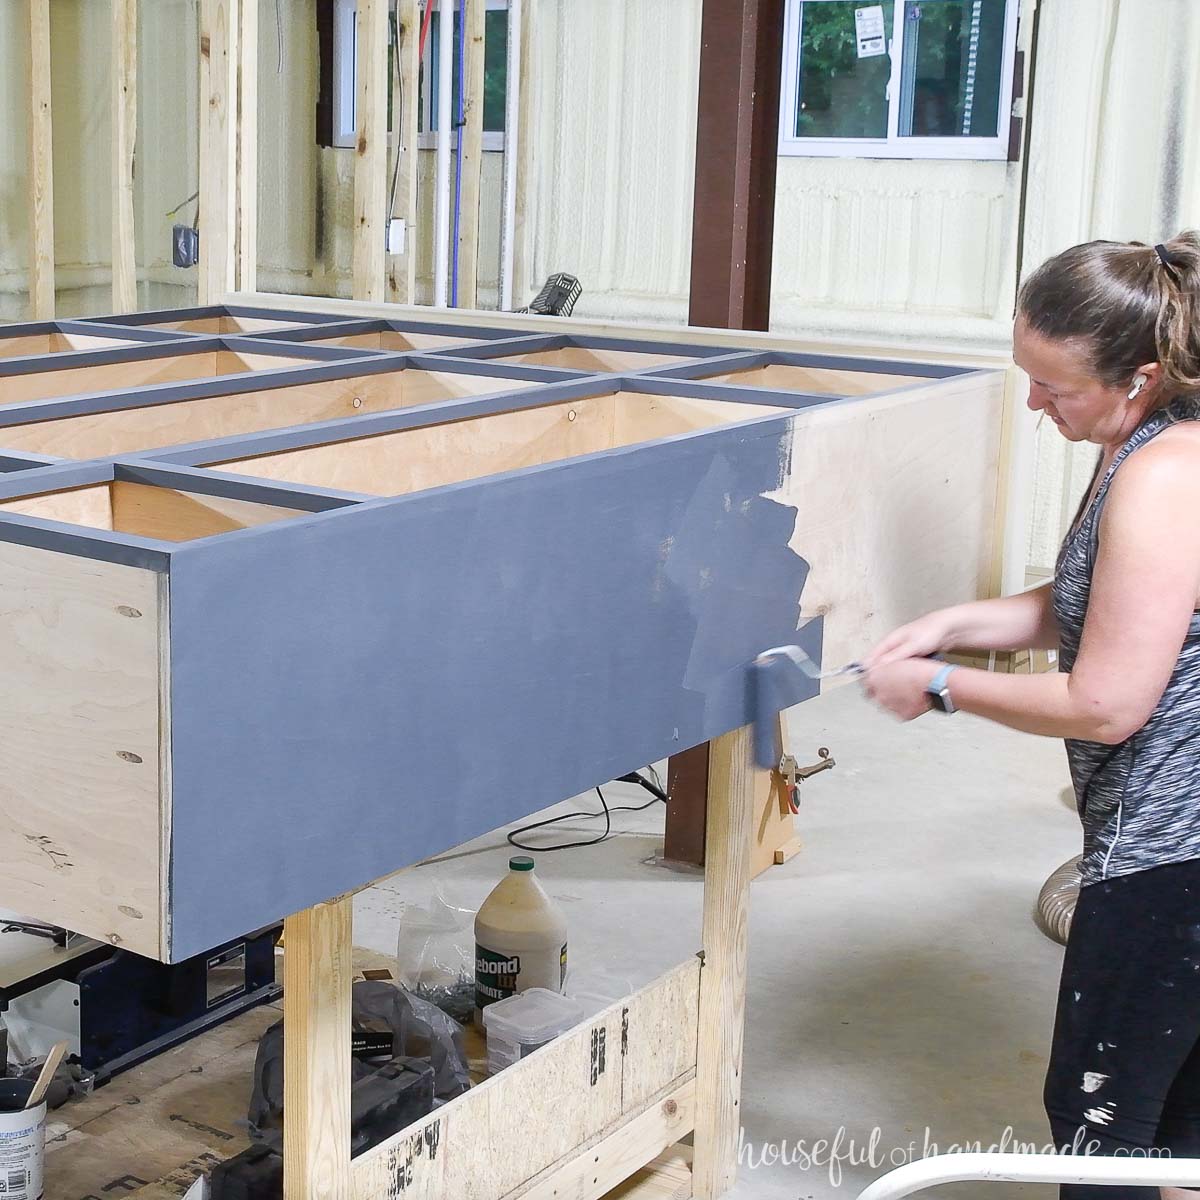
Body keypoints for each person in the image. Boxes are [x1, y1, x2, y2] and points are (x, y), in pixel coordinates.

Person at [862, 232, 1200, 1199]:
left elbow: (1103, 701)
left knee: (1105, 1122)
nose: (1035, 404)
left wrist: (940, 687)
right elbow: (1095, 599)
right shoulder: (1143, 438)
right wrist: (958, 623)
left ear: (1139, 375)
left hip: (1177, 855)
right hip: (1172, 842)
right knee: (1179, 1129)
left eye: (1055, 387)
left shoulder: (1169, 472)